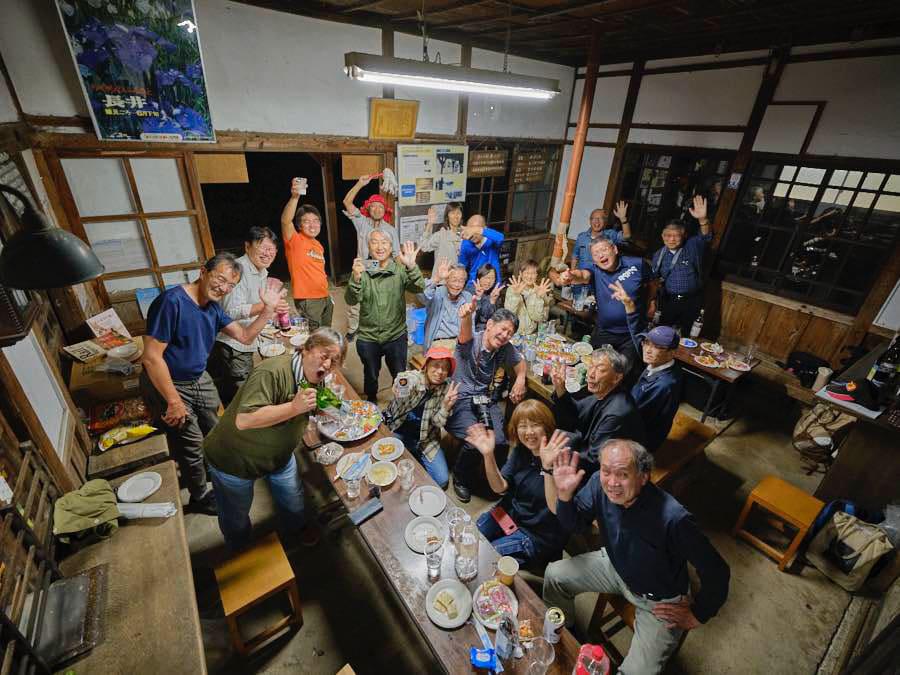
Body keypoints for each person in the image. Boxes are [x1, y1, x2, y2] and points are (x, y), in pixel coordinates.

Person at [543, 440, 730, 674]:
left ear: (643, 476)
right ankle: (566, 637)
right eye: (606, 471)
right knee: (555, 575)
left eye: (623, 474)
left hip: (659, 602)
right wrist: (564, 496)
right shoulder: (597, 485)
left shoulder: (674, 519)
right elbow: (576, 524)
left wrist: (699, 614)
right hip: (615, 566)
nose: (612, 483)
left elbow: (718, 571)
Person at [141, 254, 283, 514]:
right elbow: (151, 358)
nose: (224, 288)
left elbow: (245, 336)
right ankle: (199, 496)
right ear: (203, 271)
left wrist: (268, 310)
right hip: (170, 382)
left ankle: (214, 470)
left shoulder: (213, 308)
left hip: (198, 376)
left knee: (217, 427)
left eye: (230, 285)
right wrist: (173, 401)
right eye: (220, 279)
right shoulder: (172, 302)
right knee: (191, 442)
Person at [202, 328, 346, 550]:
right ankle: (240, 551)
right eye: (324, 355)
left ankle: (297, 529)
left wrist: (334, 410)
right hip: (235, 460)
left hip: (279, 456)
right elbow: (245, 419)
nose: (327, 365)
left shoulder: (316, 378)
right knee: (235, 516)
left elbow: (315, 405)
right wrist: (293, 407)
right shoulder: (272, 372)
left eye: (334, 361)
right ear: (307, 349)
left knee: (293, 498)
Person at [467, 402, 570, 566]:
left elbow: (559, 509)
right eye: (523, 426)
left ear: (547, 427)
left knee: (485, 558)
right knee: (469, 537)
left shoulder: (562, 458)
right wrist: (488, 455)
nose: (529, 432)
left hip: (536, 535)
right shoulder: (521, 450)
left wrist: (548, 467)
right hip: (509, 514)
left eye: (535, 425)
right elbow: (499, 488)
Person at [446, 304, 527, 503]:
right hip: (460, 399)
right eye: (503, 329)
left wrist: (520, 379)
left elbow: (520, 361)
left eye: (510, 333)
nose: (505, 335)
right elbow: (464, 332)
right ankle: (460, 477)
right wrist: (466, 316)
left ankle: (494, 477)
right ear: (490, 325)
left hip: (484, 399)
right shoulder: (470, 340)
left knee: (500, 440)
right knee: (476, 439)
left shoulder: (505, 348)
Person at [208, 227, 291, 406]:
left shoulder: (261, 271)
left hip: (248, 338)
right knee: (240, 393)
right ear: (247, 246)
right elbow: (229, 312)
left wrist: (272, 310)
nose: (268, 253)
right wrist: (267, 305)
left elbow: (256, 304)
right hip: (233, 343)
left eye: (272, 249)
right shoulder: (239, 270)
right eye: (262, 247)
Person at [551, 237, 651, 378]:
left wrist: (651, 302)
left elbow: (653, 282)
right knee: (591, 366)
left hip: (631, 333)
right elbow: (582, 275)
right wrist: (570, 276)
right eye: (596, 253)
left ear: (615, 250)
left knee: (622, 373)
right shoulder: (595, 270)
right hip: (604, 329)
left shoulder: (637, 264)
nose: (600, 255)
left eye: (604, 249)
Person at [345, 232, 424, 401]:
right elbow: (350, 299)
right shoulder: (363, 270)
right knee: (371, 374)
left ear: (391, 247)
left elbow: (419, 288)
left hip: (395, 335)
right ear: (369, 247)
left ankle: (402, 404)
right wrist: (356, 279)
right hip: (368, 336)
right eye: (374, 242)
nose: (380, 247)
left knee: (400, 375)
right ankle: (371, 399)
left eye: (384, 242)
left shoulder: (399, 270)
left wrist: (412, 266)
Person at [610, 280, 683, 451]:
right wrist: (628, 305)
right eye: (647, 343)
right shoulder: (659, 361)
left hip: (641, 440)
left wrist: (610, 390)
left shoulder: (664, 384)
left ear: (672, 353)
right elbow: (638, 334)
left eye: (657, 347)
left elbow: (631, 414)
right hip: (636, 421)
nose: (648, 350)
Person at [550, 346, 644, 477]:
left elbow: (594, 460)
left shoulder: (616, 414)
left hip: (605, 471)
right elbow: (576, 413)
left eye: (600, 369)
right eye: (591, 366)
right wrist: (560, 388)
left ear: (616, 378)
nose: (591, 374)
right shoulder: (603, 391)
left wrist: (555, 455)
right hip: (586, 447)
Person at [383, 347, 461, 488]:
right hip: (398, 431)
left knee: (442, 480)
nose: (439, 372)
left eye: (445, 368)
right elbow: (406, 379)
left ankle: (414, 454)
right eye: (436, 365)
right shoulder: (416, 377)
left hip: (426, 439)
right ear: (426, 365)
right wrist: (401, 384)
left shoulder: (446, 390)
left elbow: (437, 423)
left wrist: (446, 406)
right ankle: (410, 455)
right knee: (387, 468)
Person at [342, 174, 401, 340]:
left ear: (385, 211)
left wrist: (401, 274)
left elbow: (396, 254)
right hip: (363, 266)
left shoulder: (390, 230)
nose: (377, 209)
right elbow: (347, 202)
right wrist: (360, 183)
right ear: (368, 209)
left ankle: (376, 329)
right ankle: (353, 329)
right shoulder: (362, 222)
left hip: (381, 268)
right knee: (355, 302)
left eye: (380, 207)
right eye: (373, 206)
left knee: (378, 301)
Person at [650, 195, 713, 335]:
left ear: (683, 235)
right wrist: (652, 301)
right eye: (667, 235)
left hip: (692, 300)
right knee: (662, 334)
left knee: (686, 335)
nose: (671, 239)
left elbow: (705, 237)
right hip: (669, 301)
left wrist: (702, 219)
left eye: (676, 235)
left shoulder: (691, 246)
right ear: (662, 236)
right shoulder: (658, 255)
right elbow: (654, 281)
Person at [280, 179, 332, 330]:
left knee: (325, 333)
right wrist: (295, 197)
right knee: (315, 336)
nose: (312, 225)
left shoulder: (318, 245)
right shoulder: (295, 240)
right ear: (299, 225)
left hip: (324, 296)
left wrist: (327, 294)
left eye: (316, 221)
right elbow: (285, 221)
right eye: (306, 221)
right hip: (309, 299)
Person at [569, 203, 631, 298]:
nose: (597, 221)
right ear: (590, 221)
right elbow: (575, 256)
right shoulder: (582, 237)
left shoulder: (610, 234)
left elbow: (626, 236)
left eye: (600, 218)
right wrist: (572, 275)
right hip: (581, 280)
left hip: (600, 282)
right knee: (576, 304)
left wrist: (623, 220)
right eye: (594, 218)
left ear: (605, 221)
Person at [423, 259, 473, 350]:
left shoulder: (467, 297)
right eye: (454, 280)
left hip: (460, 344)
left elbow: (471, 326)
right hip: (439, 343)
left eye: (461, 281)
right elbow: (422, 296)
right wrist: (437, 278)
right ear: (446, 280)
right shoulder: (437, 293)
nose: (457, 285)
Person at [504, 259, 553, 335]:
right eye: (527, 273)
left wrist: (538, 297)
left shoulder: (540, 291)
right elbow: (509, 314)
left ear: (537, 275)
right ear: (520, 273)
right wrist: (516, 295)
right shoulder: (512, 289)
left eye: (533, 273)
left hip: (531, 334)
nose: (530, 276)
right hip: (514, 333)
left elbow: (538, 318)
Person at [459, 215, 504, 285]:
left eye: (475, 230)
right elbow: (462, 266)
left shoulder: (492, 240)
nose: (472, 234)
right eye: (470, 230)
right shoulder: (465, 243)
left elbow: (500, 238)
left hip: (493, 283)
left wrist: (477, 230)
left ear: (484, 229)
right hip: (474, 284)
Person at [472, 263, 504, 332]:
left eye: (492, 278)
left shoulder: (495, 294)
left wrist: (492, 301)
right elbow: (473, 320)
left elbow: (496, 319)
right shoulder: (470, 292)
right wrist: (478, 298)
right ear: (479, 278)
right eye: (486, 277)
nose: (488, 281)